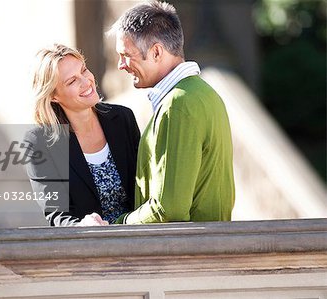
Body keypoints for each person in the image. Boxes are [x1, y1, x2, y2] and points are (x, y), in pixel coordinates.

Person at [107, 1, 235, 224]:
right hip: (207, 247)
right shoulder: (203, 93)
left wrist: (117, 225)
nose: (121, 65)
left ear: (156, 52)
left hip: (191, 252)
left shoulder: (178, 104)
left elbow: (168, 210)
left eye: (126, 54)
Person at [24, 44, 140, 226]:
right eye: (71, 81)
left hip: (139, 238)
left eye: (84, 70)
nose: (86, 82)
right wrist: (81, 226)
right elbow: (56, 214)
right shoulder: (39, 142)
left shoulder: (123, 119)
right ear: (54, 96)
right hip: (88, 246)